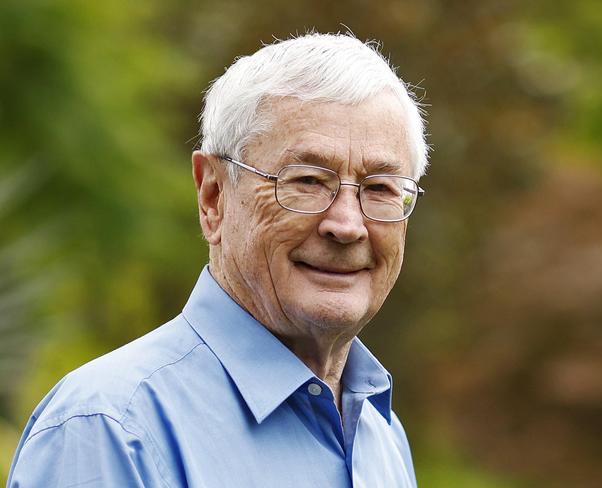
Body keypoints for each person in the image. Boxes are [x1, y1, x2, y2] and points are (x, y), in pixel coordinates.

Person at [7, 32, 427, 487]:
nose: (347, 225)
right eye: (306, 180)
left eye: (381, 188)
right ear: (213, 197)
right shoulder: (108, 431)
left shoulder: (379, 433)